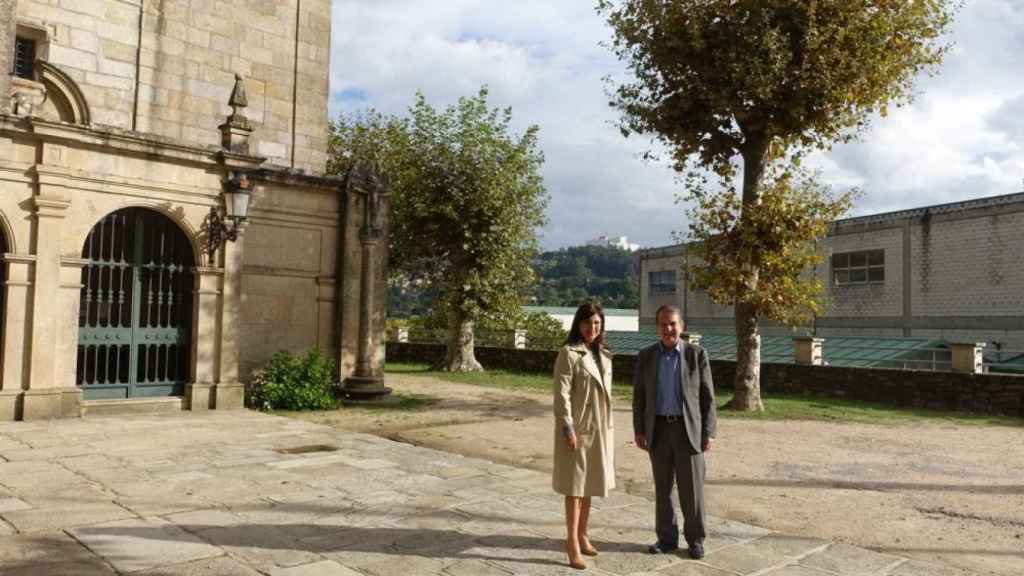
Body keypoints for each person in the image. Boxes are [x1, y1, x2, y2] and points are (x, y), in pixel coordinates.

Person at [632, 304, 716, 559]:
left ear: (682, 326)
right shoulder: (646, 356)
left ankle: (695, 540)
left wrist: (709, 432)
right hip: (657, 430)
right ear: (656, 327)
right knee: (663, 489)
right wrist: (639, 429)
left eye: (672, 324)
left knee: (692, 490)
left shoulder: (696, 355)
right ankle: (666, 538)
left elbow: (707, 397)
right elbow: (640, 397)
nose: (668, 329)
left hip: (687, 430)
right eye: (663, 324)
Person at [552, 301, 615, 570]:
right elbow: (561, 394)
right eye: (588, 322)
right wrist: (567, 428)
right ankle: (571, 543)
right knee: (574, 488)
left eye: (597, 323)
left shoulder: (603, 354)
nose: (593, 327)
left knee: (590, 485)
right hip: (577, 428)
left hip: (600, 428)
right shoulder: (568, 353)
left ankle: (583, 534)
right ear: (579, 324)